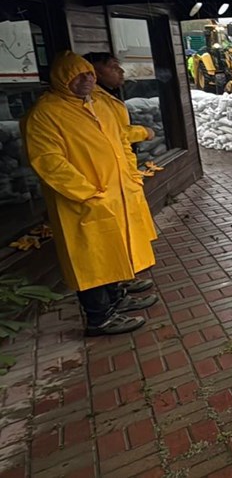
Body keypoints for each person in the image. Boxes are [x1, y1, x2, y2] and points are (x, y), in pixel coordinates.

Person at [21, 52, 158, 336]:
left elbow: (120, 142)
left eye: (90, 74)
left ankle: (117, 300)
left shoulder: (98, 106)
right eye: (78, 74)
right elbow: (49, 161)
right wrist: (86, 193)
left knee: (112, 252)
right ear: (62, 78)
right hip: (82, 201)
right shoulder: (47, 113)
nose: (87, 79)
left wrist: (130, 177)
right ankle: (99, 318)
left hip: (114, 194)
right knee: (91, 260)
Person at [83, 52, 159, 295]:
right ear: (96, 72)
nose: (121, 72)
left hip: (120, 175)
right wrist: (143, 132)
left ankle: (123, 277)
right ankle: (116, 287)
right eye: (114, 67)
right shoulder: (94, 101)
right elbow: (114, 135)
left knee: (125, 231)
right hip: (104, 182)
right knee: (113, 235)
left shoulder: (105, 97)